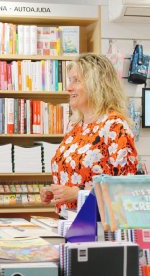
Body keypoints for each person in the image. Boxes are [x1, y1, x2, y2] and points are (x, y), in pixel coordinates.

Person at [40, 53, 138, 212]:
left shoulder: (114, 126)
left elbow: (124, 190)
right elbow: (74, 176)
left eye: (76, 80)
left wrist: (77, 194)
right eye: (70, 80)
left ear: (97, 85)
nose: (69, 87)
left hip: (98, 228)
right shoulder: (75, 125)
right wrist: (56, 192)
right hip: (69, 223)